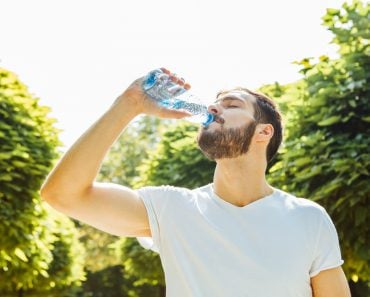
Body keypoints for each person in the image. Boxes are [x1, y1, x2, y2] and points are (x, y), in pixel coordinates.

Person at [40, 68, 351, 297]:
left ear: (263, 132)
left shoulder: (308, 218)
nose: (213, 108)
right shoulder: (171, 209)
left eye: (231, 105)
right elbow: (62, 195)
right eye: (215, 103)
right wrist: (129, 104)